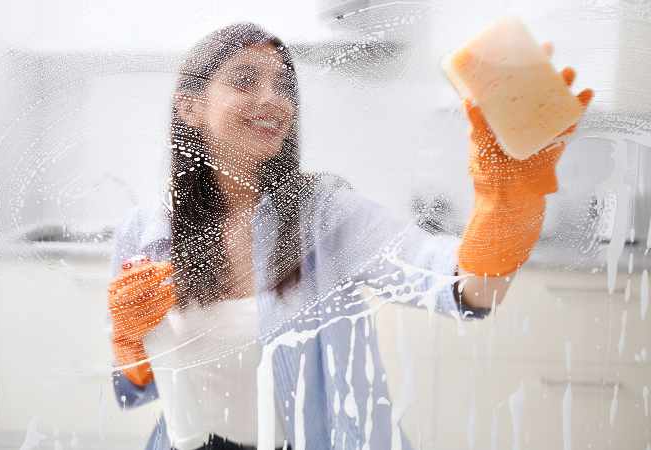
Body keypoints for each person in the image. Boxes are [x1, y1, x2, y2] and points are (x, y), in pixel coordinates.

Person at [106, 22, 592, 450]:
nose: (273, 99)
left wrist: (506, 205)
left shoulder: (326, 217)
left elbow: (465, 287)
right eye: (245, 80)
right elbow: (138, 386)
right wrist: (130, 346)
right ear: (189, 106)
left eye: (283, 86)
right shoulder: (144, 234)